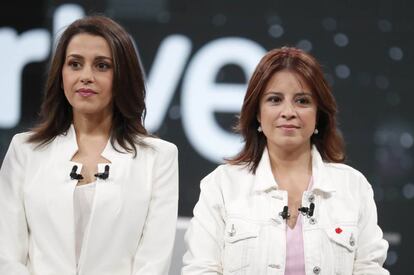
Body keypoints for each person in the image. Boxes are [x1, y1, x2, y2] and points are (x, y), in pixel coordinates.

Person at [182, 47, 389, 274]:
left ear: (318, 114)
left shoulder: (353, 186)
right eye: (274, 99)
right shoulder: (221, 185)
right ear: (258, 114)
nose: (288, 111)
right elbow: (200, 269)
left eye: (302, 101)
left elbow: (370, 268)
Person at [0, 15, 178, 275]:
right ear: (61, 75)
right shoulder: (24, 150)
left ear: (122, 77)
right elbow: (6, 255)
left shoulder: (158, 157)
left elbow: (153, 261)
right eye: (74, 64)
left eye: (102, 66)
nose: (86, 76)